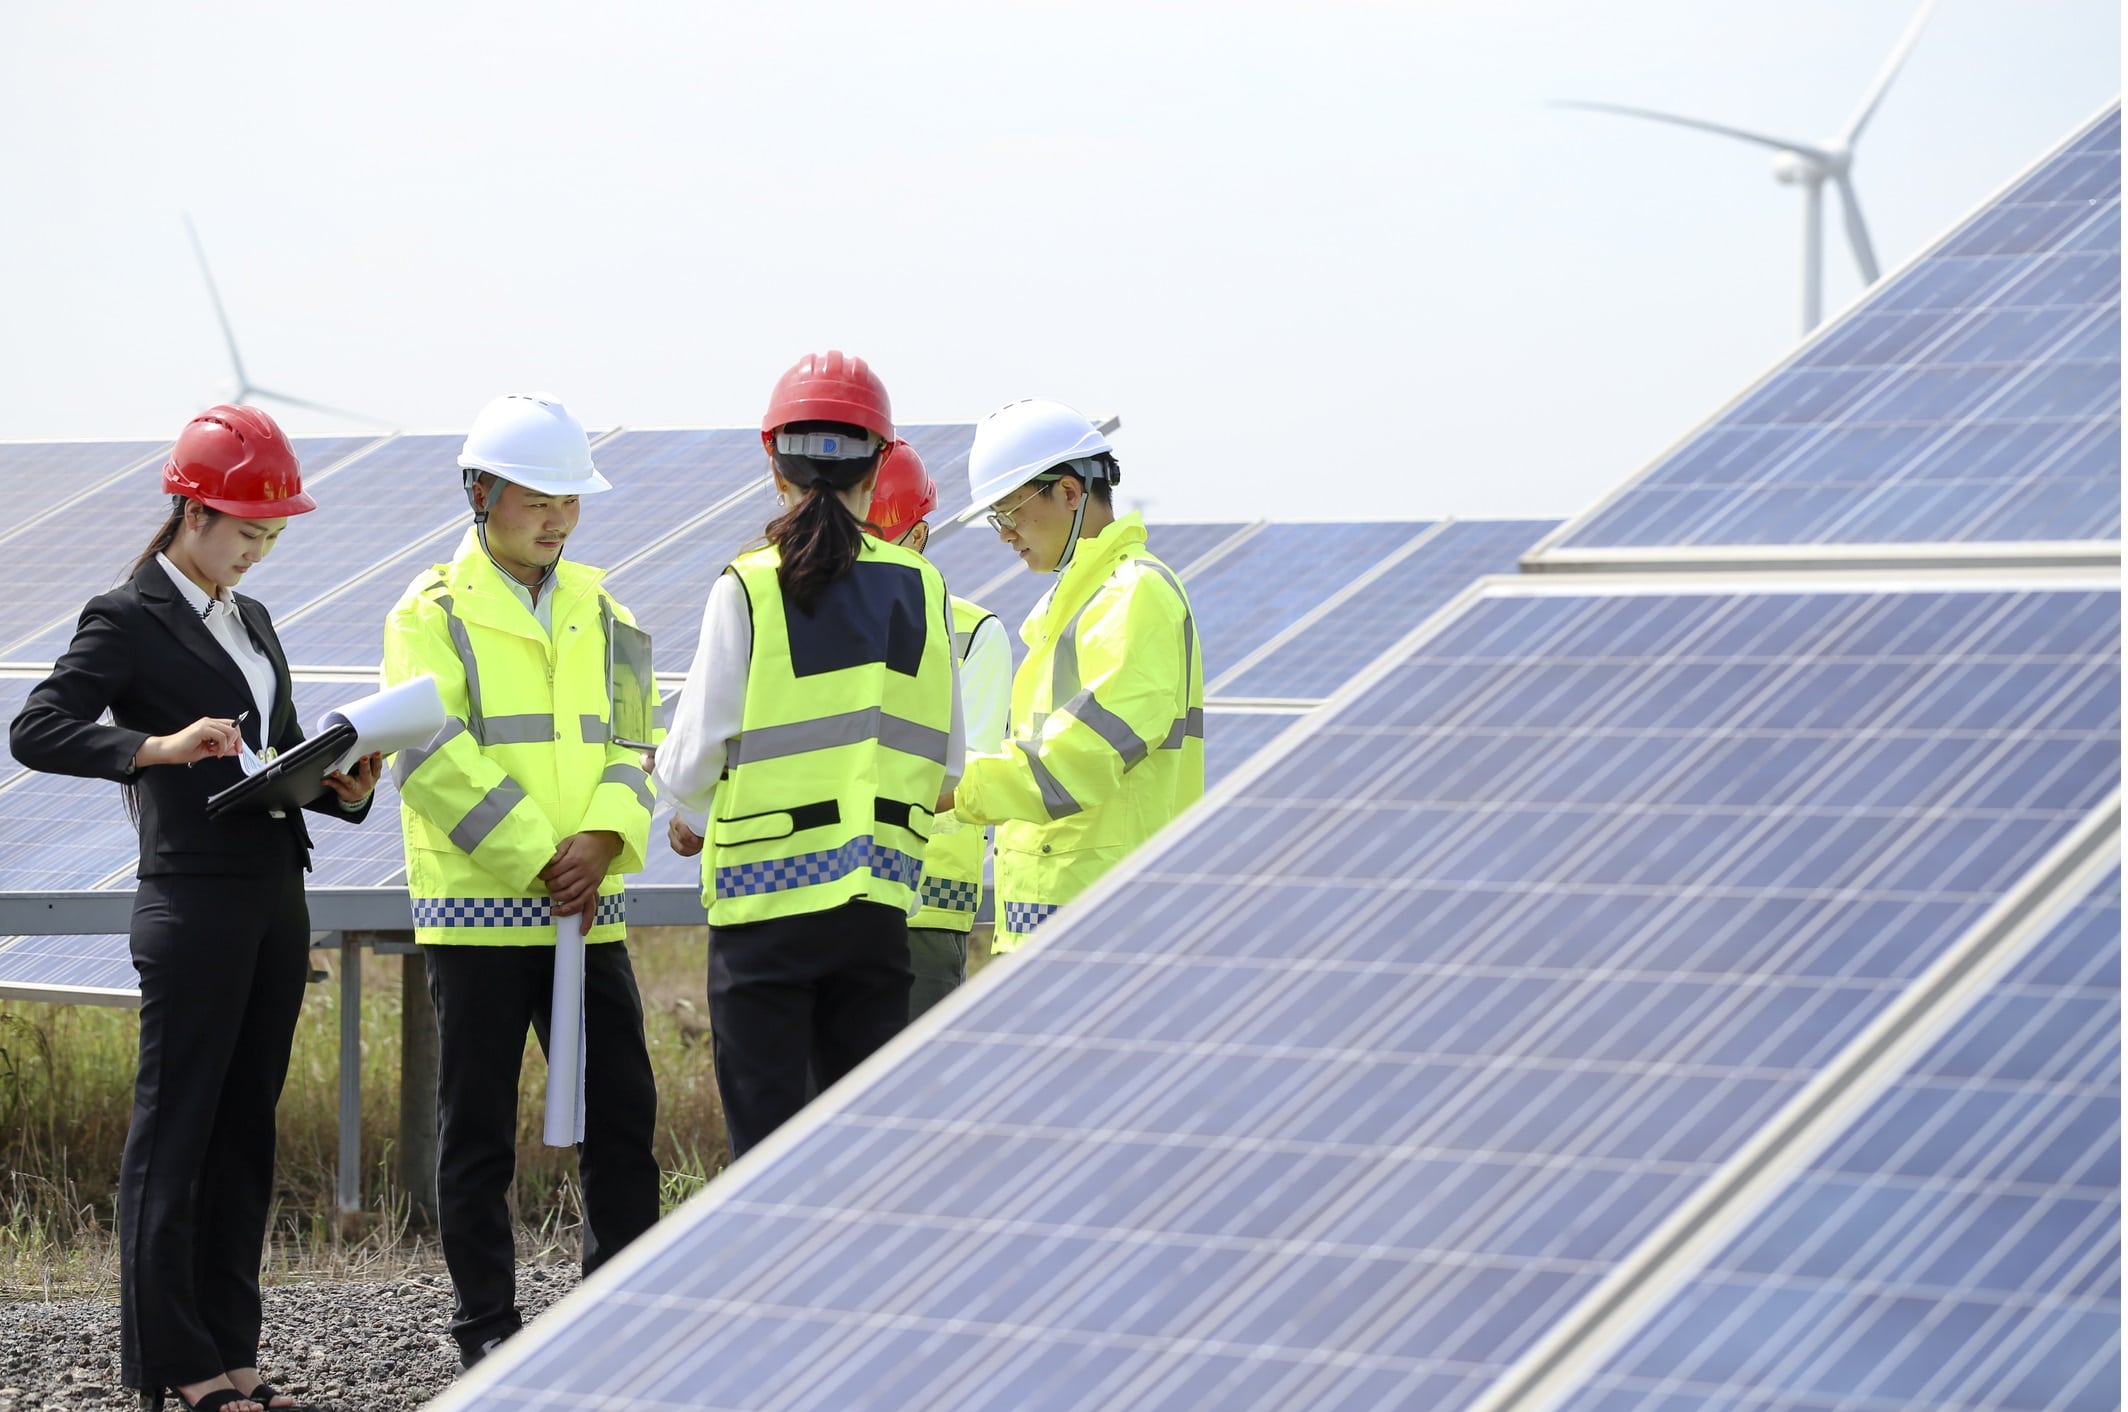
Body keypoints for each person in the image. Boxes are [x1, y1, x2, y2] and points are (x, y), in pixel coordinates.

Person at [10, 405, 381, 1412]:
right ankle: (176, 1362)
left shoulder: (251, 620)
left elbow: (284, 750)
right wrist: (159, 746)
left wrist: (344, 782)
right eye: (244, 530)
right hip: (191, 898)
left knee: (243, 1132)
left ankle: (234, 1351)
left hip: (272, 894)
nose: (257, 552)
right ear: (188, 511)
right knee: (174, 1132)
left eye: (271, 536)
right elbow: (36, 727)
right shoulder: (125, 615)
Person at [381, 393, 660, 1370]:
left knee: (625, 1114)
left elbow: (637, 742)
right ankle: (486, 1323)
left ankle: (618, 1305)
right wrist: (547, 853)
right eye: (540, 498)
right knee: (480, 1130)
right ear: (482, 492)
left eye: (571, 500)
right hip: (483, 912)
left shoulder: (611, 609)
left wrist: (605, 836)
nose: (558, 518)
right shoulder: (431, 612)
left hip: (591, 908)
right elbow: (431, 755)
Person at [655, 350, 962, 1158]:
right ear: (881, 463)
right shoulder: (922, 588)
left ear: (773, 461)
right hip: (878, 905)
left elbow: (690, 759)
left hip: (764, 913)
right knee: (860, 1151)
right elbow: (948, 765)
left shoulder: (748, 586)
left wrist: (688, 811)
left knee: (766, 1151)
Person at [942, 398, 1203, 951]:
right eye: (996, 520)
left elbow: (1075, 760)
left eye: (1010, 512)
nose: (1005, 534)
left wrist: (945, 784)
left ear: (1068, 492)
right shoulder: (1078, 600)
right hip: (1063, 934)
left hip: (1108, 934)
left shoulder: (1135, 595)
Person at [865, 439, 1012, 1018]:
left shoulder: (974, 634)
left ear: (917, 537)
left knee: (904, 1092)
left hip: (924, 905)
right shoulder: (805, 619)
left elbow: (968, 766)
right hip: (829, 893)